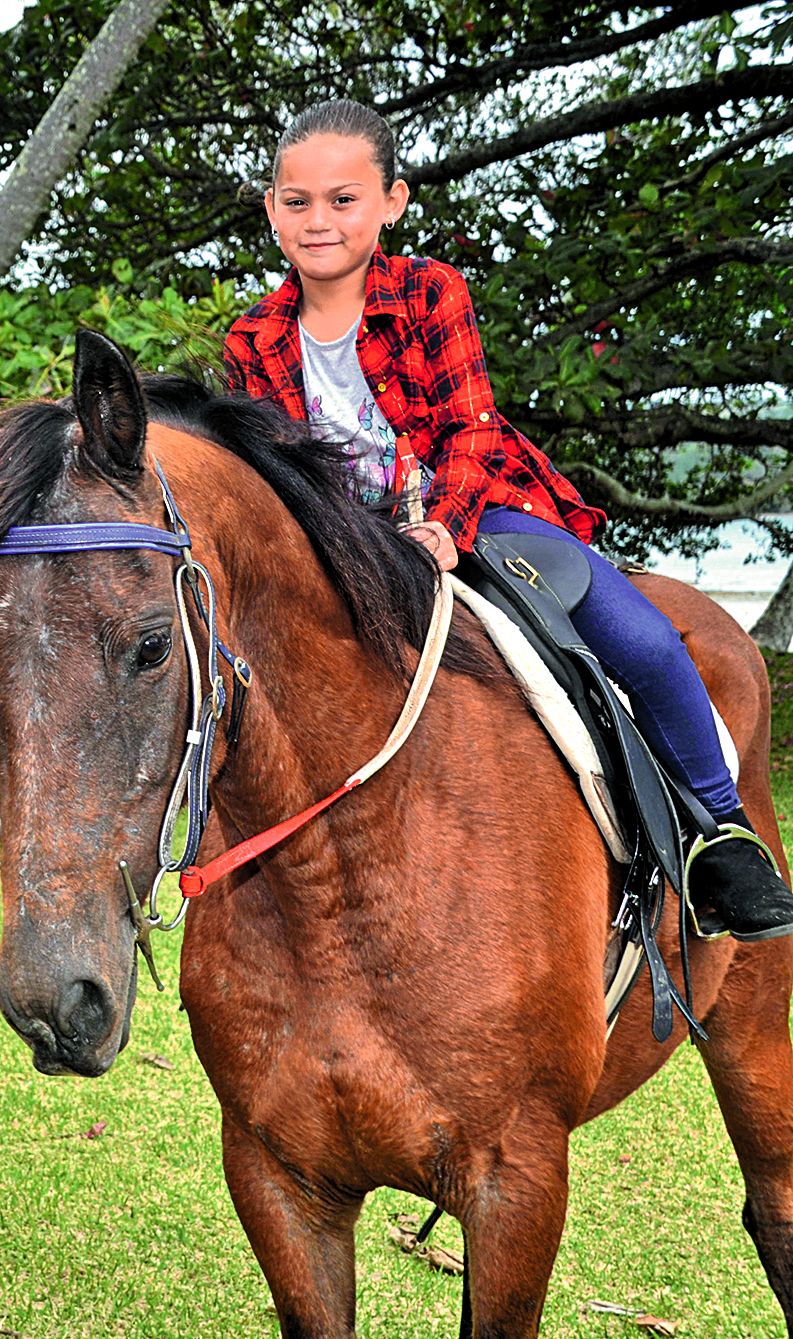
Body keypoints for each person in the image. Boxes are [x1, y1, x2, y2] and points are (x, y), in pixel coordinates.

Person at [222, 98, 793, 942]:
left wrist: (442, 528)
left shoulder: (427, 292)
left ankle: (721, 832)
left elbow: (468, 427)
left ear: (392, 201)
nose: (318, 220)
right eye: (296, 200)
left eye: (343, 199)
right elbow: (276, 480)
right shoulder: (254, 337)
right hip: (344, 543)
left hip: (477, 505)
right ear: (271, 207)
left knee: (639, 639)